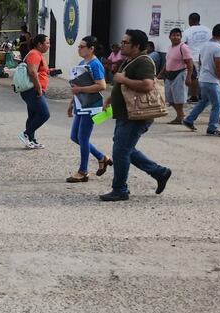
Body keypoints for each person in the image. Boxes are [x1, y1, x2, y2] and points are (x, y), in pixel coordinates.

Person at [100, 29, 172, 202]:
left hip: (136, 116)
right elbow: (123, 85)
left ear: (136, 46)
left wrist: (122, 80)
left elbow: (147, 85)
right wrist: (111, 97)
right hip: (126, 115)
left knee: (120, 151)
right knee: (124, 149)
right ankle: (159, 172)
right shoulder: (130, 60)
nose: (122, 44)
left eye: (126, 42)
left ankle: (120, 189)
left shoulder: (144, 62)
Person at [65, 36, 110, 182]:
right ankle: (101, 157)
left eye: (82, 46)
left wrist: (80, 89)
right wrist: (72, 103)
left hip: (91, 106)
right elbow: (76, 87)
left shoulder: (95, 64)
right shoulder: (82, 63)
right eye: (79, 46)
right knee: (75, 136)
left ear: (91, 49)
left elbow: (102, 85)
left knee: (83, 137)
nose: (79, 49)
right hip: (81, 104)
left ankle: (83, 171)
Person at [182, 23, 220, 137]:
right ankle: (212, 128)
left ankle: (189, 120)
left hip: (203, 78)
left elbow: (201, 62)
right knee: (218, 105)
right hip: (212, 81)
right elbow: (219, 66)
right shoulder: (219, 48)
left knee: (204, 101)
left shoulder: (205, 45)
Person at [18, 34, 51, 149]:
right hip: (33, 90)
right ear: (39, 44)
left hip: (35, 89)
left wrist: (49, 71)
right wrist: (38, 88)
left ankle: (31, 140)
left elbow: (39, 71)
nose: (49, 45)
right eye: (47, 43)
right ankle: (26, 134)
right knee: (44, 114)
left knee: (33, 116)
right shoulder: (34, 54)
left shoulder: (38, 54)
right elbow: (32, 72)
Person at [158, 27, 194, 124]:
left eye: (178, 35)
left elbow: (190, 64)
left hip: (180, 74)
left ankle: (180, 117)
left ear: (181, 37)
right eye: (174, 35)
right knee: (169, 98)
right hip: (169, 75)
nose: (176, 37)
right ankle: (181, 115)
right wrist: (160, 74)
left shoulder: (183, 47)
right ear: (170, 37)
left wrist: (188, 77)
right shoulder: (169, 47)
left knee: (178, 98)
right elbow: (167, 62)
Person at [183, 12, 211, 102]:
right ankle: (204, 96)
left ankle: (194, 96)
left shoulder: (187, 31)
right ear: (199, 20)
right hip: (206, 56)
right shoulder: (208, 30)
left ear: (190, 20)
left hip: (193, 57)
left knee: (193, 77)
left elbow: (184, 45)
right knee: (205, 76)